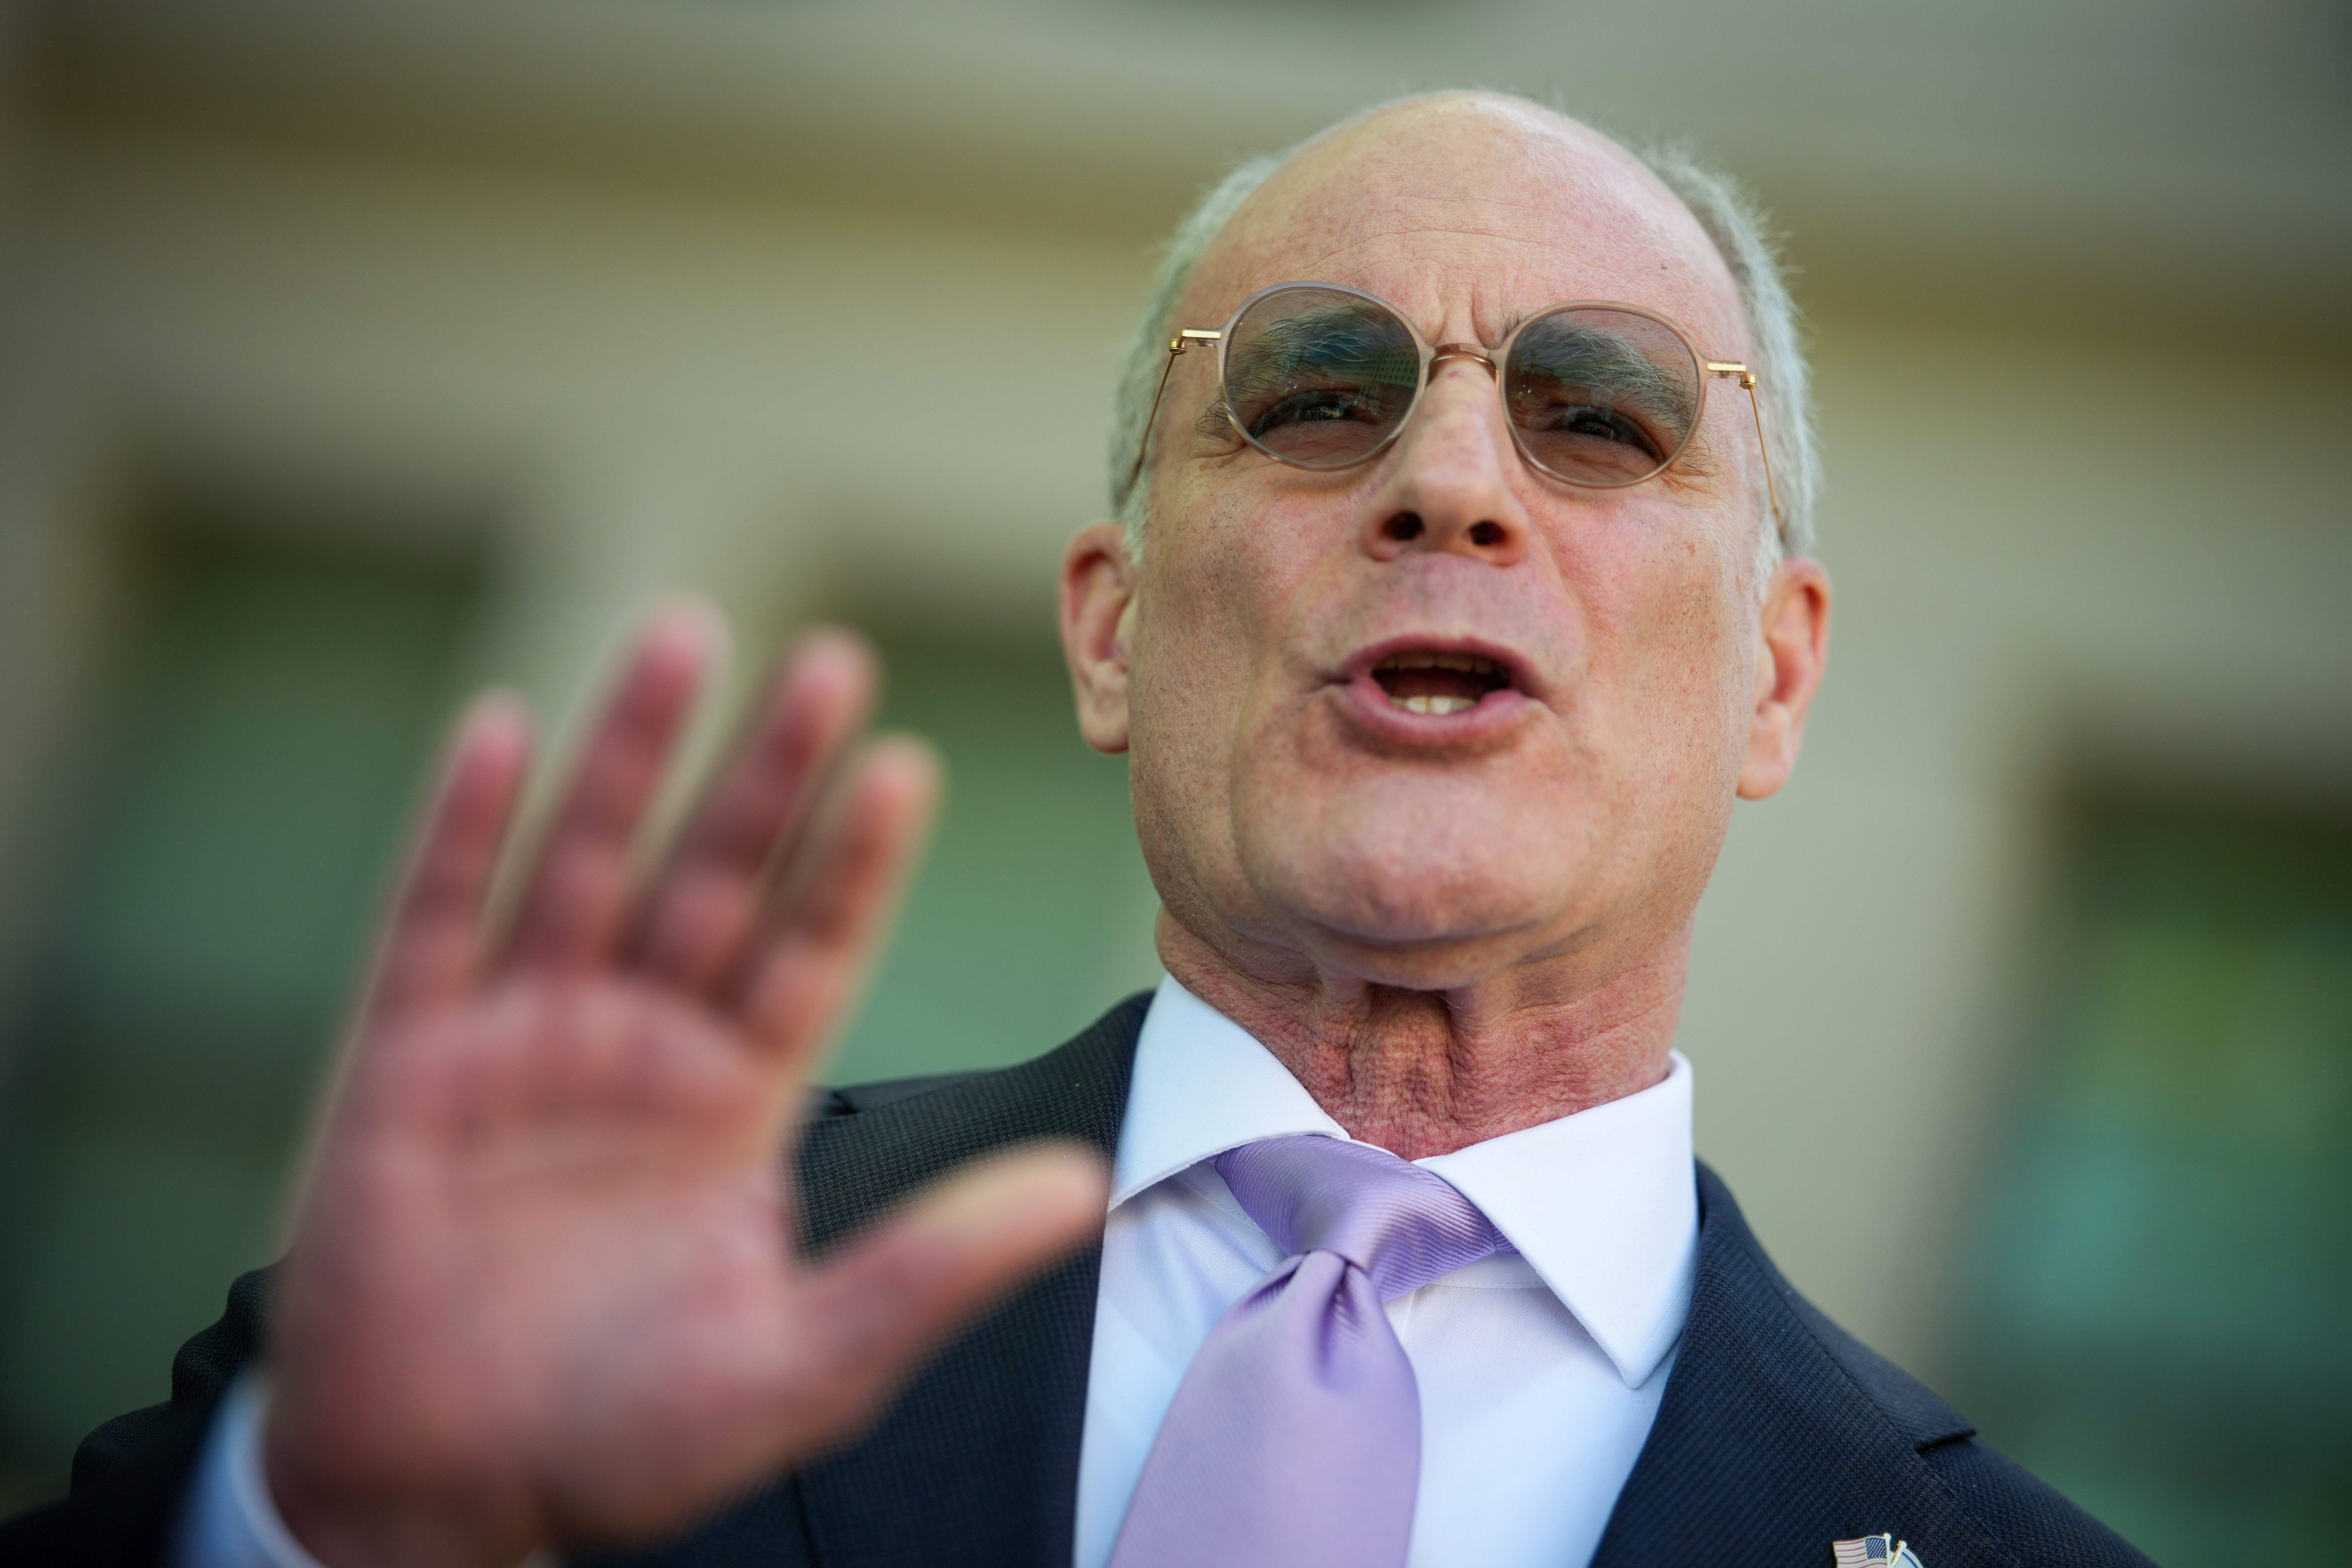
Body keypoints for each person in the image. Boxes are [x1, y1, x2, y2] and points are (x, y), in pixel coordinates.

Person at [1, 92, 2148, 1568]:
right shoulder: (586, 1289)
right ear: (1111, 633)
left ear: (1777, 672)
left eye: (1602, 417)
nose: (1450, 484)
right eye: (1317, 393)